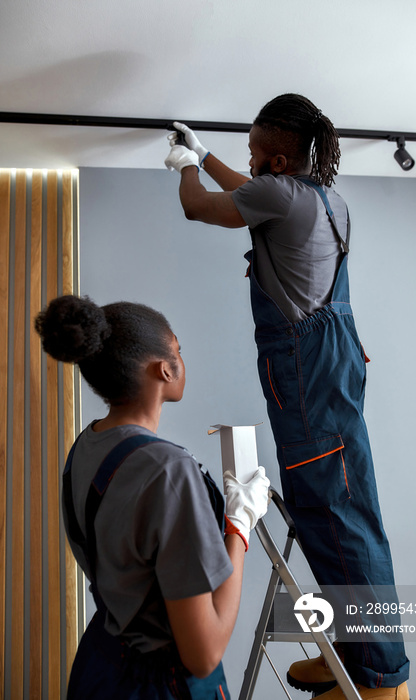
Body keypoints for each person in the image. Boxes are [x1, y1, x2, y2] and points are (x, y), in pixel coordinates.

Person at [164, 94, 410, 700]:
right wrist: (206, 151)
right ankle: (356, 652)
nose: (247, 161)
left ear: (277, 161)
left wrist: (184, 168)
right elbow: (251, 189)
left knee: (334, 511)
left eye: (254, 152)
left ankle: (380, 678)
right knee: (342, 503)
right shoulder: (327, 200)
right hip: (334, 359)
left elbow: (200, 208)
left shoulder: (277, 197)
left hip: (306, 366)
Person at [35, 294, 270, 700]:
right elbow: (204, 653)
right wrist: (239, 524)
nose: (182, 358)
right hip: (159, 685)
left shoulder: (86, 447)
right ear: (164, 369)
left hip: (98, 666)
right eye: (178, 349)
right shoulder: (168, 472)